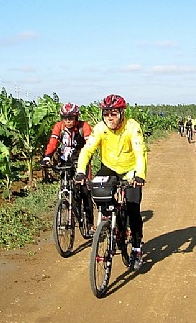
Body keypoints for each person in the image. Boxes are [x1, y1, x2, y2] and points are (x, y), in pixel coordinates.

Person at [74, 94, 147, 270]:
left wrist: (140, 175)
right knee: (100, 194)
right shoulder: (100, 128)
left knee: (133, 208)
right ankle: (109, 224)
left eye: (113, 114)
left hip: (130, 170)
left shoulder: (132, 127)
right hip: (109, 168)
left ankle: (137, 248)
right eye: (106, 114)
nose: (109, 118)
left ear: (122, 113)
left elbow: (140, 151)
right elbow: (87, 150)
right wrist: (81, 172)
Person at [41, 102, 95, 233]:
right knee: (66, 184)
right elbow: (53, 143)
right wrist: (47, 156)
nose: (68, 121)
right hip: (65, 160)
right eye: (65, 118)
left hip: (81, 159)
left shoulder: (84, 126)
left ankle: (90, 223)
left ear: (76, 117)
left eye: (71, 117)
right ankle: (68, 205)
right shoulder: (59, 127)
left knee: (85, 190)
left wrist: (86, 160)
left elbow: (90, 144)